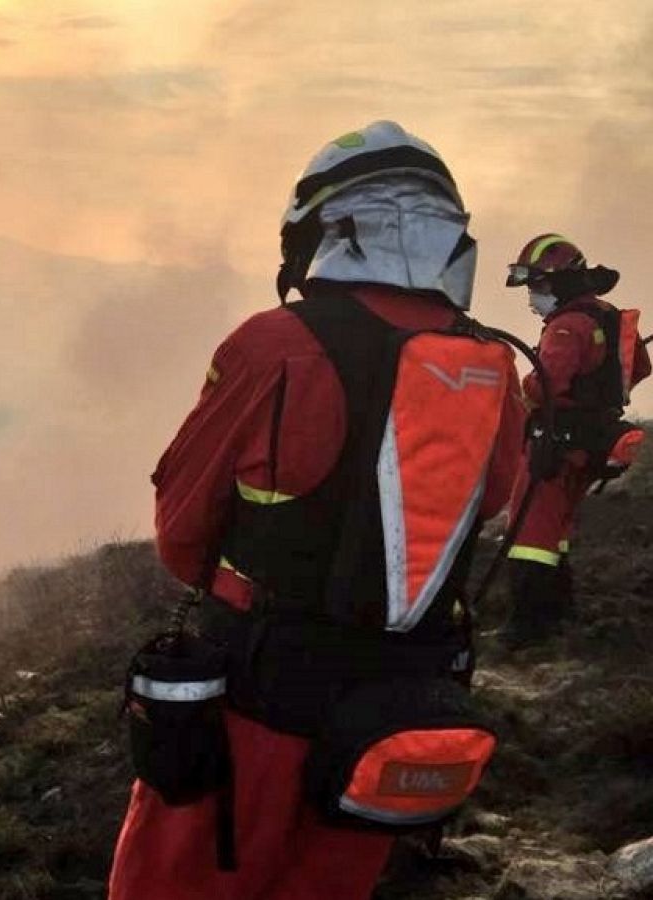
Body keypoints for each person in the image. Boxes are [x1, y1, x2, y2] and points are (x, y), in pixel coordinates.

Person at [108, 122, 526, 900]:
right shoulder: (492, 365)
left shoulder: (275, 346)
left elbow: (182, 532)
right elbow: (493, 501)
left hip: (254, 704)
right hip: (388, 715)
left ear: (325, 230)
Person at [501, 235, 649, 646]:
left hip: (555, 442)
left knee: (530, 532)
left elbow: (543, 385)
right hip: (590, 440)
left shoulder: (566, 326)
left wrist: (514, 387)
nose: (533, 296)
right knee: (557, 529)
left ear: (562, 283)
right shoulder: (611, 317)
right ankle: (560, 612)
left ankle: (528, 628)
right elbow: (638, 368)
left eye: (540, 287)